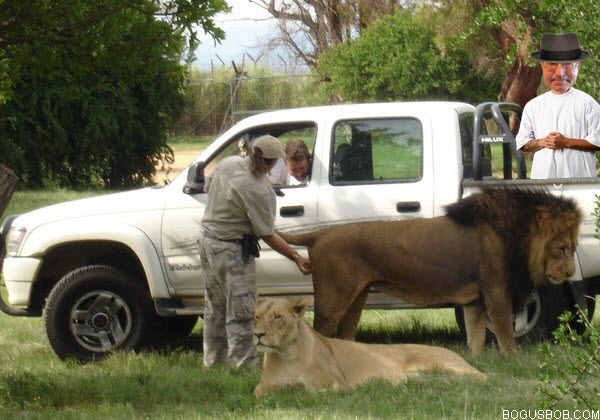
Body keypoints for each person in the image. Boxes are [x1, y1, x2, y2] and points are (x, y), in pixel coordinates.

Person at [198, 134, 311, 369]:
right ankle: (243, 365)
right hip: (231, 249)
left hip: (207, 241)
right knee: (241, 310)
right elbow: (267, 234)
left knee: (215, 307)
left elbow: (210, 188)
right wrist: (296, 256)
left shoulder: (229, 164)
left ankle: (213, 361)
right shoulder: (259, 189)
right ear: (273, 162)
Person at [516, 32, 600, 179]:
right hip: (543, 188)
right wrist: (542, 142)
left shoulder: (588, 104)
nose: (560, 73)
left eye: (567, 64)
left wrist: (566, 142)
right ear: (543, 66)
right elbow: (523, 143)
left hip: (580, 186)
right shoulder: (533, 106)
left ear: (578, 66)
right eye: (552, 64)